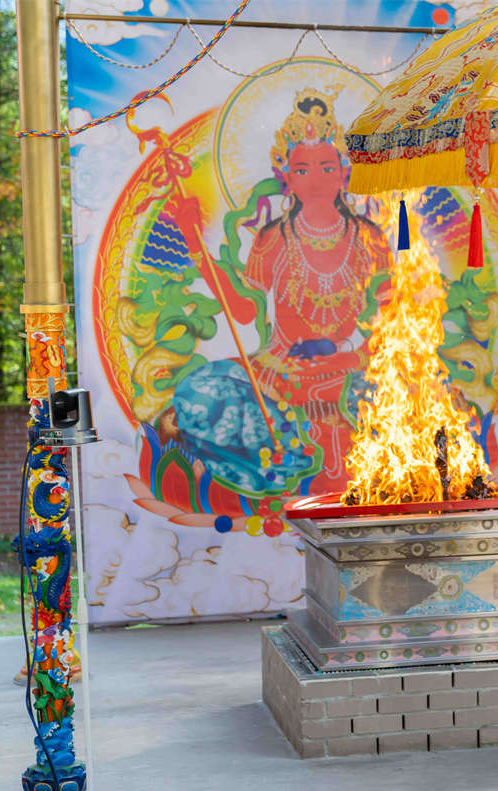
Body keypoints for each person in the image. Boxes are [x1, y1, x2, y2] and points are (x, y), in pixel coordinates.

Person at [163, 89, 392, 494]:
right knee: (197, 391)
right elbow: (243, 311)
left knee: (415, 389)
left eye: (326, 167)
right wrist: (196, 247)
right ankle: (283, 457)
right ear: (286, 178)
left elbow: (395, 317)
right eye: (302, 170)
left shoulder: (369, 237)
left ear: (344, 173)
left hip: (350, 366)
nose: (315, 179)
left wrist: (350, 352)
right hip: (279, 370)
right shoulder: (272, 238)